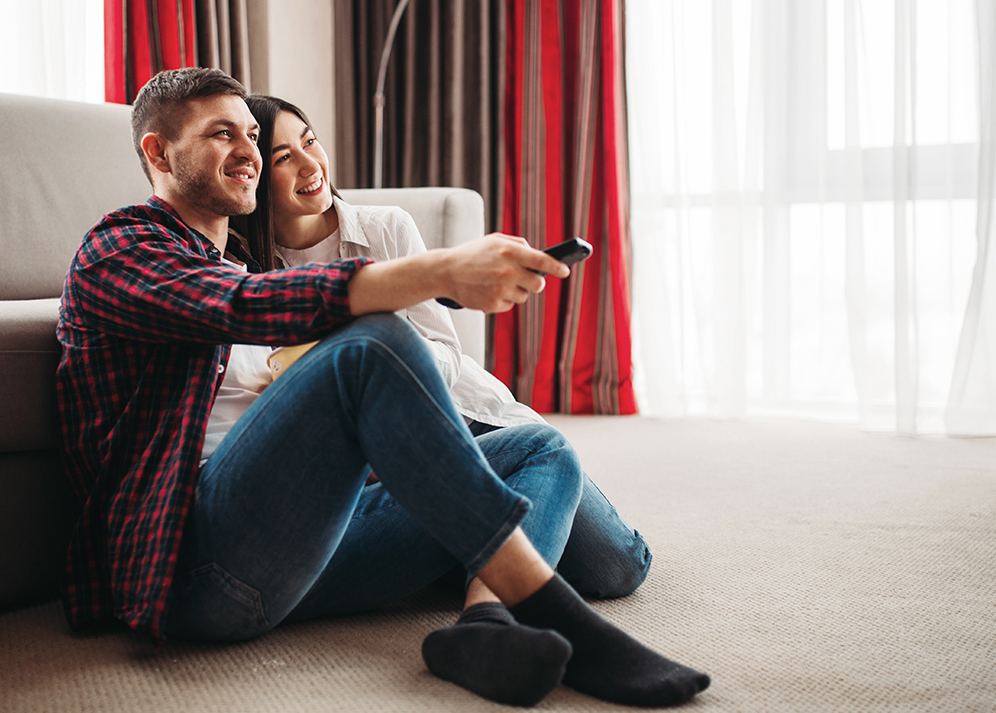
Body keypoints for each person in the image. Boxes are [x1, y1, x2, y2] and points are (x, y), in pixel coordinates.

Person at [55, 67, 709, 708]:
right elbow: (240, 304)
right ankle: (568, 624)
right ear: (158, 151)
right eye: (222, 134)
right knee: (372, 341)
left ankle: (486, 629)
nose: (247, 150)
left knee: (539, 449)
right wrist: (441, 270)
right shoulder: (119, 248)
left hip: (298, 551)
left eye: (252, 134)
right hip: (196, 567)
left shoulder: (230, 264)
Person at [231, 90, 654, 614]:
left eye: (309, 141)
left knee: (615, 566)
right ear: (253, 176)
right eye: (282, 157)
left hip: (460, 417)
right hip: (367, 456)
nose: (309, 164)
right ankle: (483, 576)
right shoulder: (246, 273)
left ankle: (481, 539)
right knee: (513, 547)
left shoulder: (385, 228)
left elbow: (447, 357)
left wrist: (376, 358)